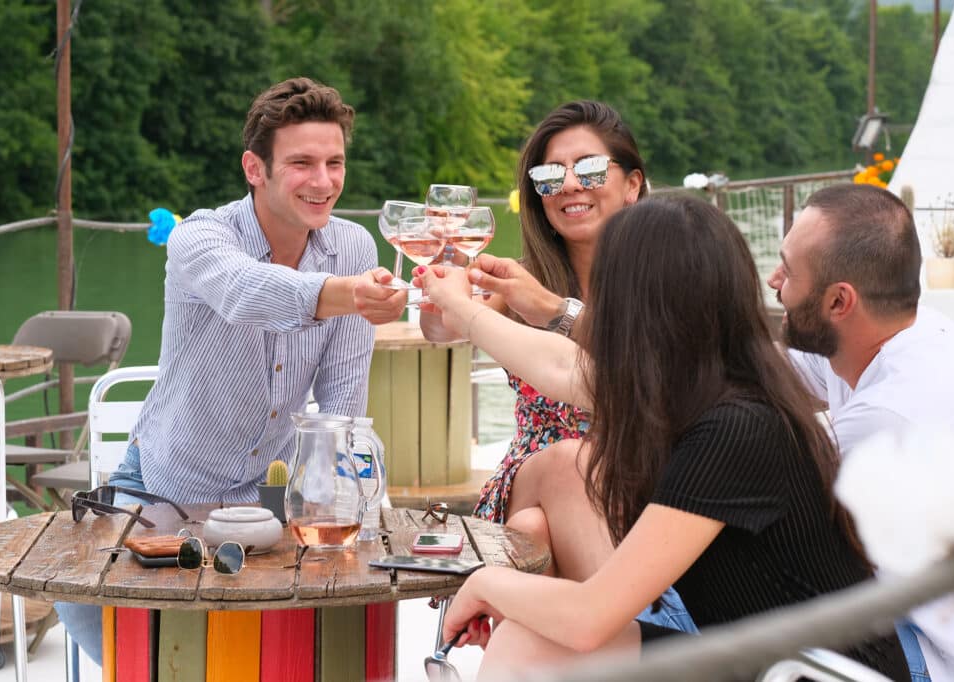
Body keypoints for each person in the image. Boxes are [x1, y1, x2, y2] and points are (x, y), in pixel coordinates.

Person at [415, 195, 909, 680]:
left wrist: (485, 584)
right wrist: (461, 309)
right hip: (758, 662)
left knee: (531, 644)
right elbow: (561, 367)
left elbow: (590, 617)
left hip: (820, 675)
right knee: (531, 636)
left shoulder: (735, 430)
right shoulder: (711, 387)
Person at [56, 77, 407, 665]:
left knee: (308, 623)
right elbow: (248, 292)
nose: (323, 182)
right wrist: (348, 294)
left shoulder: (352, 247)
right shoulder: (200, 237)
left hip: (264, 493)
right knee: (81, 593)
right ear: (254, 168)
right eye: (301, 163)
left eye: (335, 163)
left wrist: (344, 496)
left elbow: (343, 406)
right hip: (164, 480)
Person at [422, 100, 646, 525]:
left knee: (532, 529)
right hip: (534, 477)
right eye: (550, 175)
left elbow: (662, 374)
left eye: (590, 169)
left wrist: (554, 311)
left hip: (638, 484)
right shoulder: (517, 282)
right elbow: (439, 328)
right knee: (567, 466)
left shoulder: (664, 281)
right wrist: (443, 271)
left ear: (632, 185)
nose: (570, 185)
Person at [768, 183, 954, 681]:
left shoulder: (889, 417)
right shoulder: (901, 331)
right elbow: (761, 377)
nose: (772, 281)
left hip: (930, 657)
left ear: (839, 301)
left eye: (787, 270)